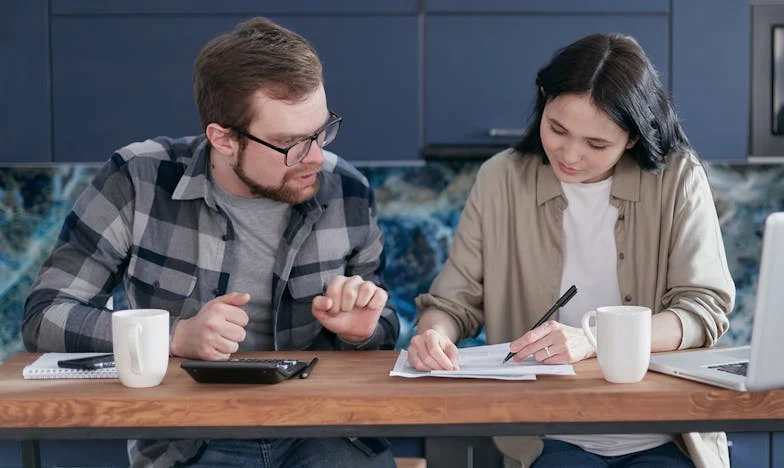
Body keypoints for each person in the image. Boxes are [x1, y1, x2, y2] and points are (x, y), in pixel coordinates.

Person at [22, 17, 399, 468]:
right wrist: (175, 336)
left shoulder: (348, 191)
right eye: (290, 143)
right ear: (222, 138)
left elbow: (386, 329)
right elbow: (45, 316)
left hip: (325, 431)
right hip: (187, 440)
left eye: (321, 131)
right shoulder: (138, 180)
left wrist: (365, 329)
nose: (315, 157)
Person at [408, 33, 735, 468]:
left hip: (663, 429)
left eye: (597, 144)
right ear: (543, 98)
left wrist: (595, 341)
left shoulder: (678, 179)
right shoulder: (501, 179)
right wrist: (433, 335)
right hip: (547, 434)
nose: (570, 155)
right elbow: (453, 302)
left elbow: (703, 310)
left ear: (634, 139)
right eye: (557, 128)